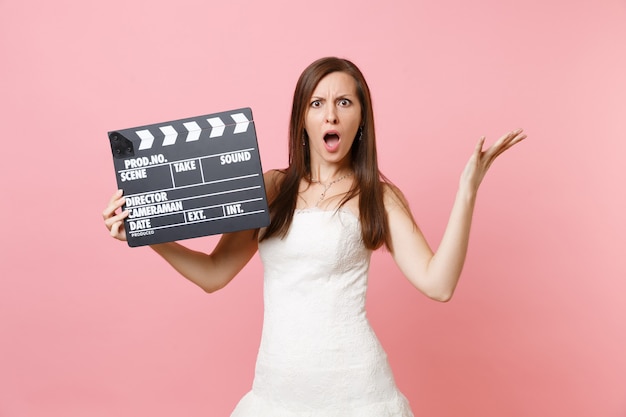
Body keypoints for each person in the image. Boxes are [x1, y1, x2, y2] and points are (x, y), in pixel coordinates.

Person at [103, 57, 526, 416]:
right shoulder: (271, 187)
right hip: (277, 393)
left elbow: (439, 283)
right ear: (301, 118)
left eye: (344, 102)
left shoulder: (377, 195)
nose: (331, 115)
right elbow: (214, 273)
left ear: (361, 118)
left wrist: (467, 189)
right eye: (317, 103)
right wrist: (147, 234)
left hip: (358, 393)